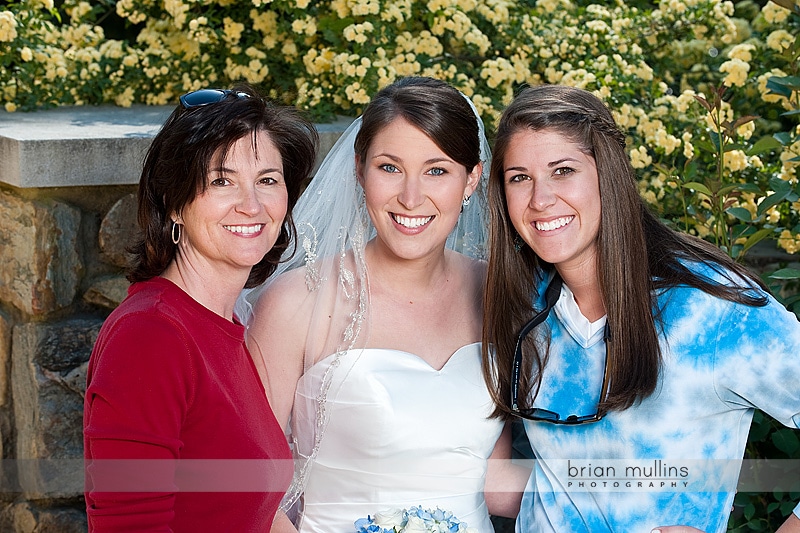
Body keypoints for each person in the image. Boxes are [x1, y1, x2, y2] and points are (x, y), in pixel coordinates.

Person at [481, 84, 800, 533]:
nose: (540, 199)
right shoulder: (521, 302)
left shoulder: (712, 307)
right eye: (519, 177)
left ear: (607, 176)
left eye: (563, 170)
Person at [239, 76, 526, 533]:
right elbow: (248, 487)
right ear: (359, 169)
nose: (411, 197)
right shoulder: (297, 302)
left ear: (471, 179)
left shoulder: (498, 295)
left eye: (437, 170)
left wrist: (640, 489)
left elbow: (492, 480)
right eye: (389, 168)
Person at [83, 86, 319, 532]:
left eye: (267, 180)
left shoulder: (225, 327)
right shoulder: (151, 336)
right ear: (174, 202)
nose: (251, 205)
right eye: (221, 180)